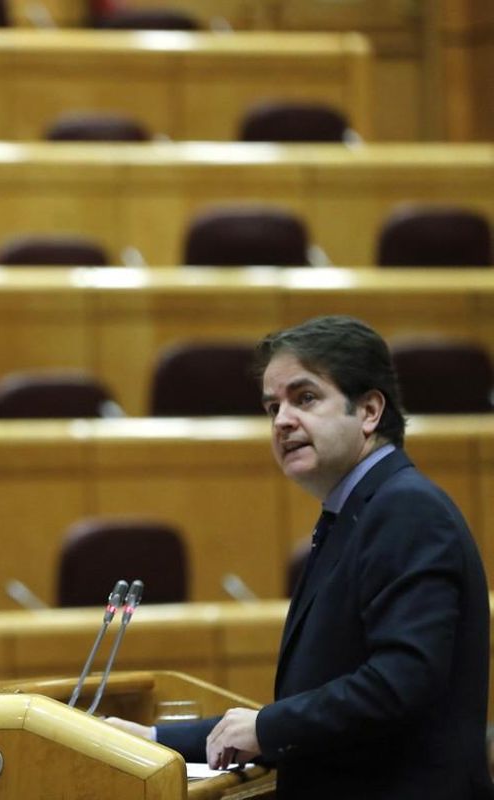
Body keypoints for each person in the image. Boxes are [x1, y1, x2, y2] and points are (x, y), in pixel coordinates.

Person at [108, 315, 494, 798]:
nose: (283, 420)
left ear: (370, 410)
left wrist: (267, 727)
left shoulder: (405, 510)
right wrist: (157, 741)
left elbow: (401, 684)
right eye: (273, 407)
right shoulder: (358, 512)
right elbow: (320, 708)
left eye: (305, 398)